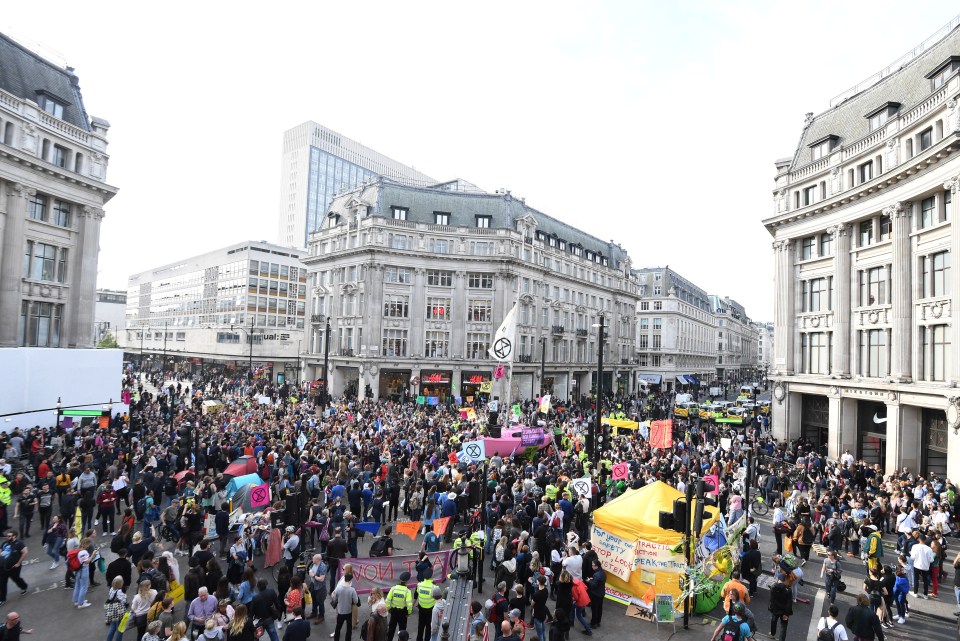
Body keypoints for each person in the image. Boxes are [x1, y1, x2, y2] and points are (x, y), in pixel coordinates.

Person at [0, 531, 28, 607]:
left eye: (9, 536)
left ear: (14, 536)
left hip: (14, 567)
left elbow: (25, 552)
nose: (7, 537)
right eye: (7, 536)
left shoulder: (19, 543)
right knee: (2, 583)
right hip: (2, 567)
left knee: (16, 579)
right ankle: (2, 599)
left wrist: (18, 563)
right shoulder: (4, 543)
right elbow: (1, 551)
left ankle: (24, 587)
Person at [332, 571, 360, 641]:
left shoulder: (339, 588)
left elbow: (335, 598)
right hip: (348, 612)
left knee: (338, 628)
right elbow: (356, 601)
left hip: (340, 611)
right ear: (351, 579)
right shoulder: (352, 590)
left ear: (344, 578)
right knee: (349, 629)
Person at [387, 572, 413, 641]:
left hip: (394, 611)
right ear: (407, 581)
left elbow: (387, 601)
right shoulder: (407, 591)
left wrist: (389, 609)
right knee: (402, 631)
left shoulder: (393, 588)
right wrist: (409, 613)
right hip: (403, 613)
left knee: (391, 629)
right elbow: (409, 604)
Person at [768, 574, 793, 641]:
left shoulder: (773, 587)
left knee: (773, 622)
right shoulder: (788, 590)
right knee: (783, 626)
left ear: (778, 579)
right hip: (784, 611)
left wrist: (771, 608)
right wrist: (786, 614)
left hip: (775, 610)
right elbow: (789, 603)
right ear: (784, 580)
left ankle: (772, 634)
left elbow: (771, 600)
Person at [414, 568, 436, 641]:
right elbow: (437, 598)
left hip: (421, 609)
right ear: (431, 576)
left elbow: (417, 593)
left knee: (421, 626)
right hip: (430, 610)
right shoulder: (434, 587)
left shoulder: (419, 585)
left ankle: (419, 639)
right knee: (429, 626)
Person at [104, 575, 128, 641]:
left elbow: (110, 598)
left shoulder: (111, 589)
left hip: (112, 611)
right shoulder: (120, 592)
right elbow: (124, 601)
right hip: (119, 611)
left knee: (112, 626)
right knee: (120, 628)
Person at [586, 559, 605, 628]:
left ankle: (593, 623)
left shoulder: (597, 574)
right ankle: (598, 622)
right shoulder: (602, 572)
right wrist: (593, 579)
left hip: (595, 594)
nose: (592, 567)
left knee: (594, 609)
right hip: (601, 593)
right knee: (599, 608)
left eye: (593, 565)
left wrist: (589, 581)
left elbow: (594, 585)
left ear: (596, 566)